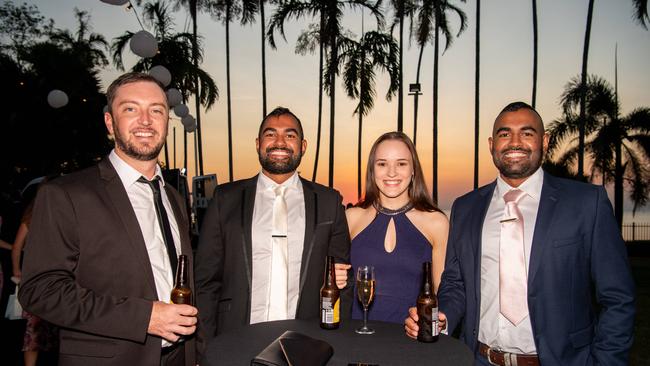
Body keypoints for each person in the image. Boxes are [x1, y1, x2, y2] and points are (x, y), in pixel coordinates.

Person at [405, 102, 636, 366]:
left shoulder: (586, 204)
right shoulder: (466, 208)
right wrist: (444, 315)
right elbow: (456, 283)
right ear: (492, 144)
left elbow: (618, 298)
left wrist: (606, 362)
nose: (514, 142)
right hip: (480, 359)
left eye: (527, 133)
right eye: (504, 134)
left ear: (545, 141)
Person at [18, 72, 198, 366]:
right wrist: (144, 318)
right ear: (110, 123)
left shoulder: (174, 198)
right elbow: (40, 290)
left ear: (166, 121)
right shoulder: (66, 194)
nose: (145, 120)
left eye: (156, 110)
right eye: (131, 109)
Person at [195, 107, 352, 345]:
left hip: (306, 339)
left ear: (303, 145)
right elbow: (206, 281)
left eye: (290, 135)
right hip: (235, 337)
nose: (280, 142)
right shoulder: (225, 199)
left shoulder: (330, 201)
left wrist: (336, 340)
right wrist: (204, 347)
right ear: (258, 143)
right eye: (270, 134)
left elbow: (342, 282)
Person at [346, 132, 448, 323]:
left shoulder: (436, 222)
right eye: (382, 164)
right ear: (372, 170)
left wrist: (437, 322)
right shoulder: (352, 218)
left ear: (413, 170)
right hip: (356, 339)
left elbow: (442, 292)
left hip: (413, 343)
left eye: (401, 163)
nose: (391, 172)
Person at [12, 187, 58, 366]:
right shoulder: (64, 215)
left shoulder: (31, 219)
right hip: (57, 279)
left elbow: (17, 247)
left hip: (37, 278)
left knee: (34, 332)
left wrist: (17, 271)